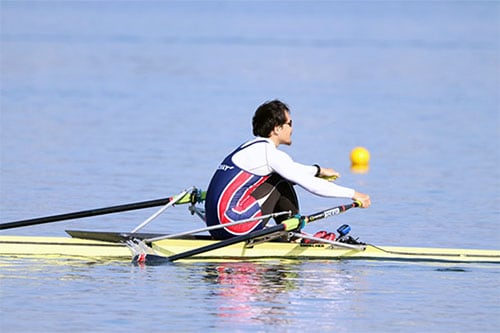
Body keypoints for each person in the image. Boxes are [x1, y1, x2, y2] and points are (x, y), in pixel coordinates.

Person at [204, 100, 371, 240]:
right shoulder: (270, 154)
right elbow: (310, 185)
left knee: (282, 177)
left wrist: (318, 170)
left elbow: (293, 170)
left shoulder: (248, 148)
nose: (292, 129)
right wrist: (354, 194)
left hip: (215, 226)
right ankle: (292, 236)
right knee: (280, 180)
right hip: (234, 227)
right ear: (277, 128)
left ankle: (290, 234)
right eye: (289, 124)